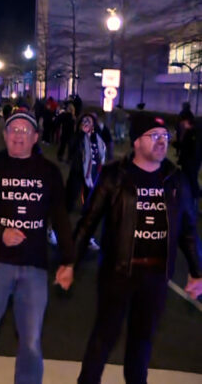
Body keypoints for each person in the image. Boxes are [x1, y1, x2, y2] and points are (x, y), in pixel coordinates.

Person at [62, 112, 202, 384]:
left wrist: (196, 271)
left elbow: (187, 230)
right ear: (137, 142)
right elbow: (88, 222)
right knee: (103, 337)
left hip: (156, 277)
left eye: (165, 137)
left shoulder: (175, 179)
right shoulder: (116, 176)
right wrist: (70, 263)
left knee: (142, 342)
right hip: (118, 273)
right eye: (154, 137)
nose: (162, 142)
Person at [0, 112, 75, 384]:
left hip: (34, 266)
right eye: (13, 130)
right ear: (4, 135)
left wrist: (68, 262)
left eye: (25, 131)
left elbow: (60, 217)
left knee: (32, 339)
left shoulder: (49, 172)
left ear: (36, 137)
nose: (18, 135)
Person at [66, 114, 106, 216]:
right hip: (78, 168)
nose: (85, 123)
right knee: (73, 190)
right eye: (83, 121)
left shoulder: (97, 136)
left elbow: (102, 151)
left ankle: (87, 209)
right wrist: (81, 135)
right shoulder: (77, 135)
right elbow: (72, 149)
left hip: (93, 169)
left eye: (88, 121)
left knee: (90, 192)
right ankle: (68, 207)